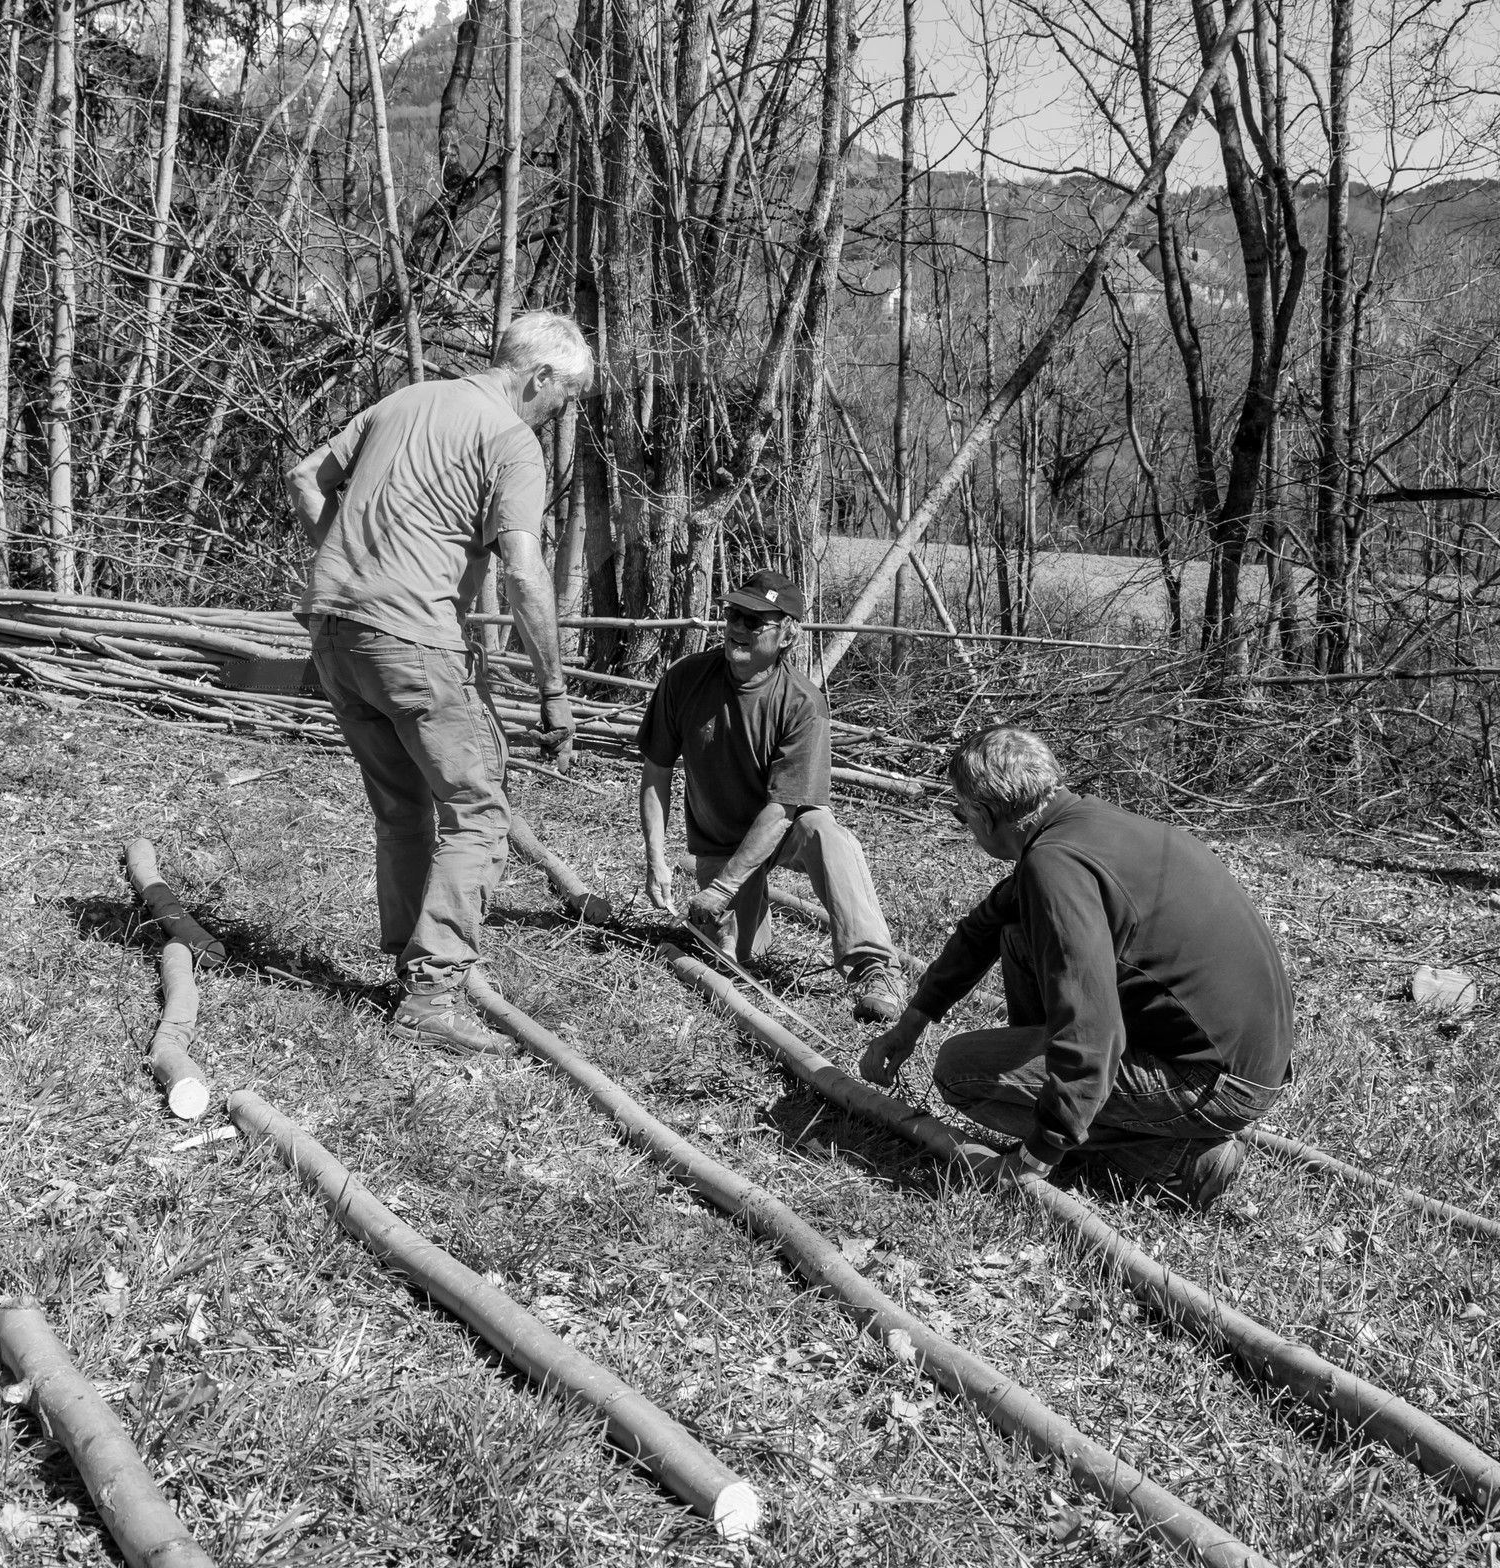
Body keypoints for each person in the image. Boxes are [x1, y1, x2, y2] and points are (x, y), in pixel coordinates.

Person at [284, 311, 593, 1056]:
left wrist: (354, 564)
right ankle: (432, 991)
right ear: (539, 376)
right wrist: (553, 689)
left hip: (334, 628)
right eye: (566, 395)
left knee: (401, 807)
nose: (563, 411)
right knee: (478, 814)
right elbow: (524, 572)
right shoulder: (511, 440)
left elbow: (304, 477)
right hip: (412, 640)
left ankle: (407, 961)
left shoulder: (407, 400)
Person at [859, 727, 1293, 1207]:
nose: (966, 824)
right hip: (1241, 1056)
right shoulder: (1084, 824)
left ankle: (1175, 1162)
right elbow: (983, 929)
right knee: (1016, 938)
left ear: (985, 814)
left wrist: (1037, 1155)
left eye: (962, 815)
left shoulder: (1054, 865)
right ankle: (1097, 1112)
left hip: (1214, 1081)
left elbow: (1092, 1030)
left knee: (960, 1070)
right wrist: (910, 1025)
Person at [637, 569, 909, 1023]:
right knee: (736, 959)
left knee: (825, 832)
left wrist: (723, 888)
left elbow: (783, 809)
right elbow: (656, 771)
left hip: (782, 830)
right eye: (733, 615)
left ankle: (875, 968)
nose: (738, 627)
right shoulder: (685, 679)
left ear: (787, 634)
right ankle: (742, 927)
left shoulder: (802, 702)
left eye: (754, 620)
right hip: (721, 843)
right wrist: (656, 859)